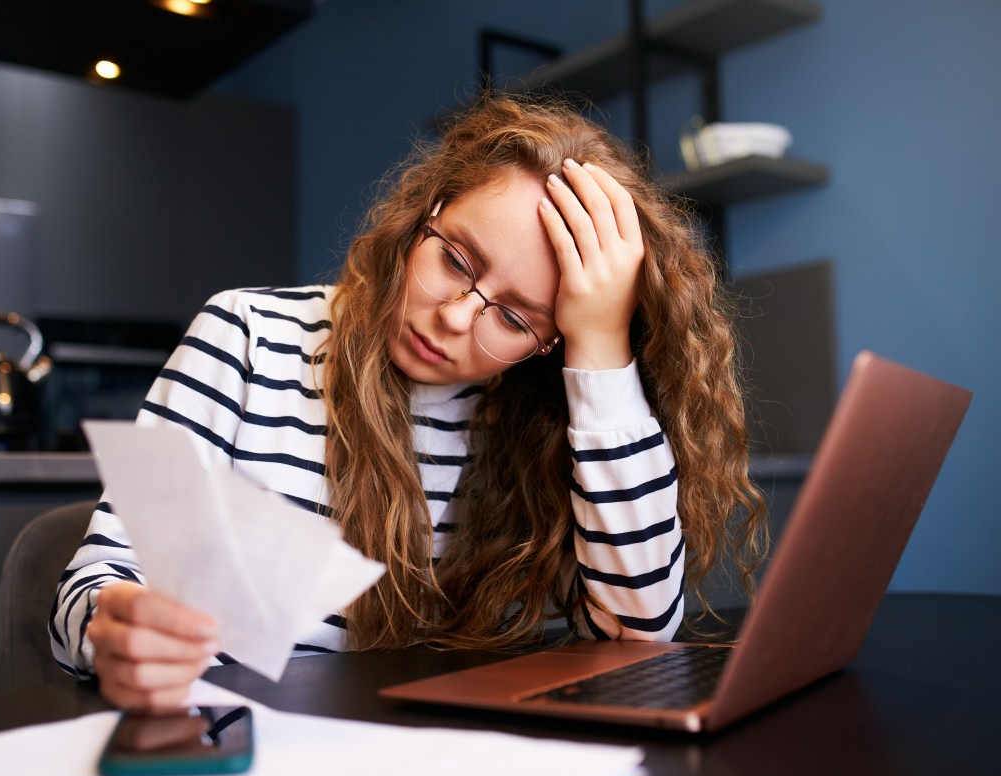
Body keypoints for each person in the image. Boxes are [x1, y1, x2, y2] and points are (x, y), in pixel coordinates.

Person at [50, 93, 767, 709]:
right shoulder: (247, 334)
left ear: (550, 345)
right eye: (455, 259)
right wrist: (118, 622)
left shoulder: (538, 421)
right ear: (426, 212)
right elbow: (96, 584)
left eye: (515, 319)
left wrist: (602, 349)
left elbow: (635, 636)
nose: (456, 318)